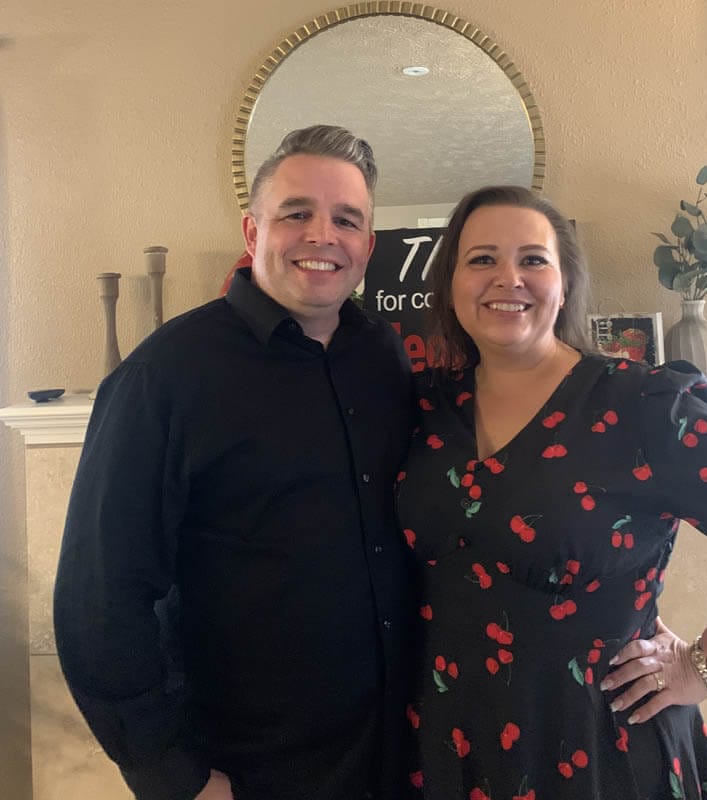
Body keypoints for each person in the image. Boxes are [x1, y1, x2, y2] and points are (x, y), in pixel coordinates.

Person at [396, 185, 707, 799]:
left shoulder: (641, 404)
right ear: (450, 284)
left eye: (533, 259)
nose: (508, 278)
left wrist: (699, 670)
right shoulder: (424, 406)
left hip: (599, 750)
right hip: (450, 744)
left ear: (564, 284)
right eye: (482, 259)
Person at [54, 125, 415, 800]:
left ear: (368, 245)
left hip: (394, 751)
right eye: (296, 213)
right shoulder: (164, 377)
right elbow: (99, 595)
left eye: (346, 219)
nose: (323, 235)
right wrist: (171, 774)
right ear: (253, 231)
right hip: (251, 770)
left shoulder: (384, 356)